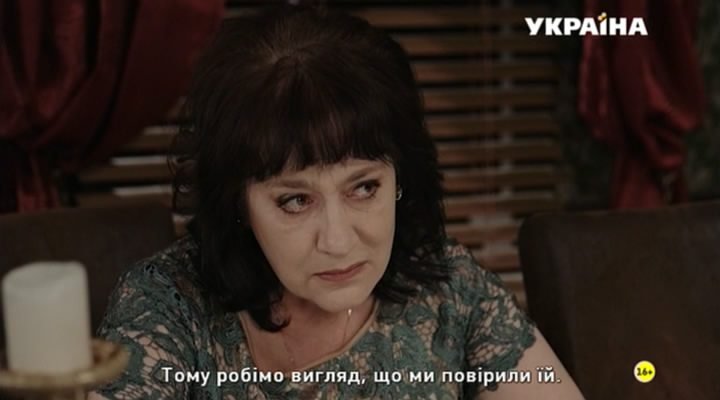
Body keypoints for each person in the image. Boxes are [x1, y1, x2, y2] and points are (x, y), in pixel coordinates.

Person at [89, 5, 584, 400]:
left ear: (399, 178)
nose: (339, 241)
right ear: (238, 203)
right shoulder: (167, 304)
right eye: (295, 201)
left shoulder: (450, 287)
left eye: (363, 188)